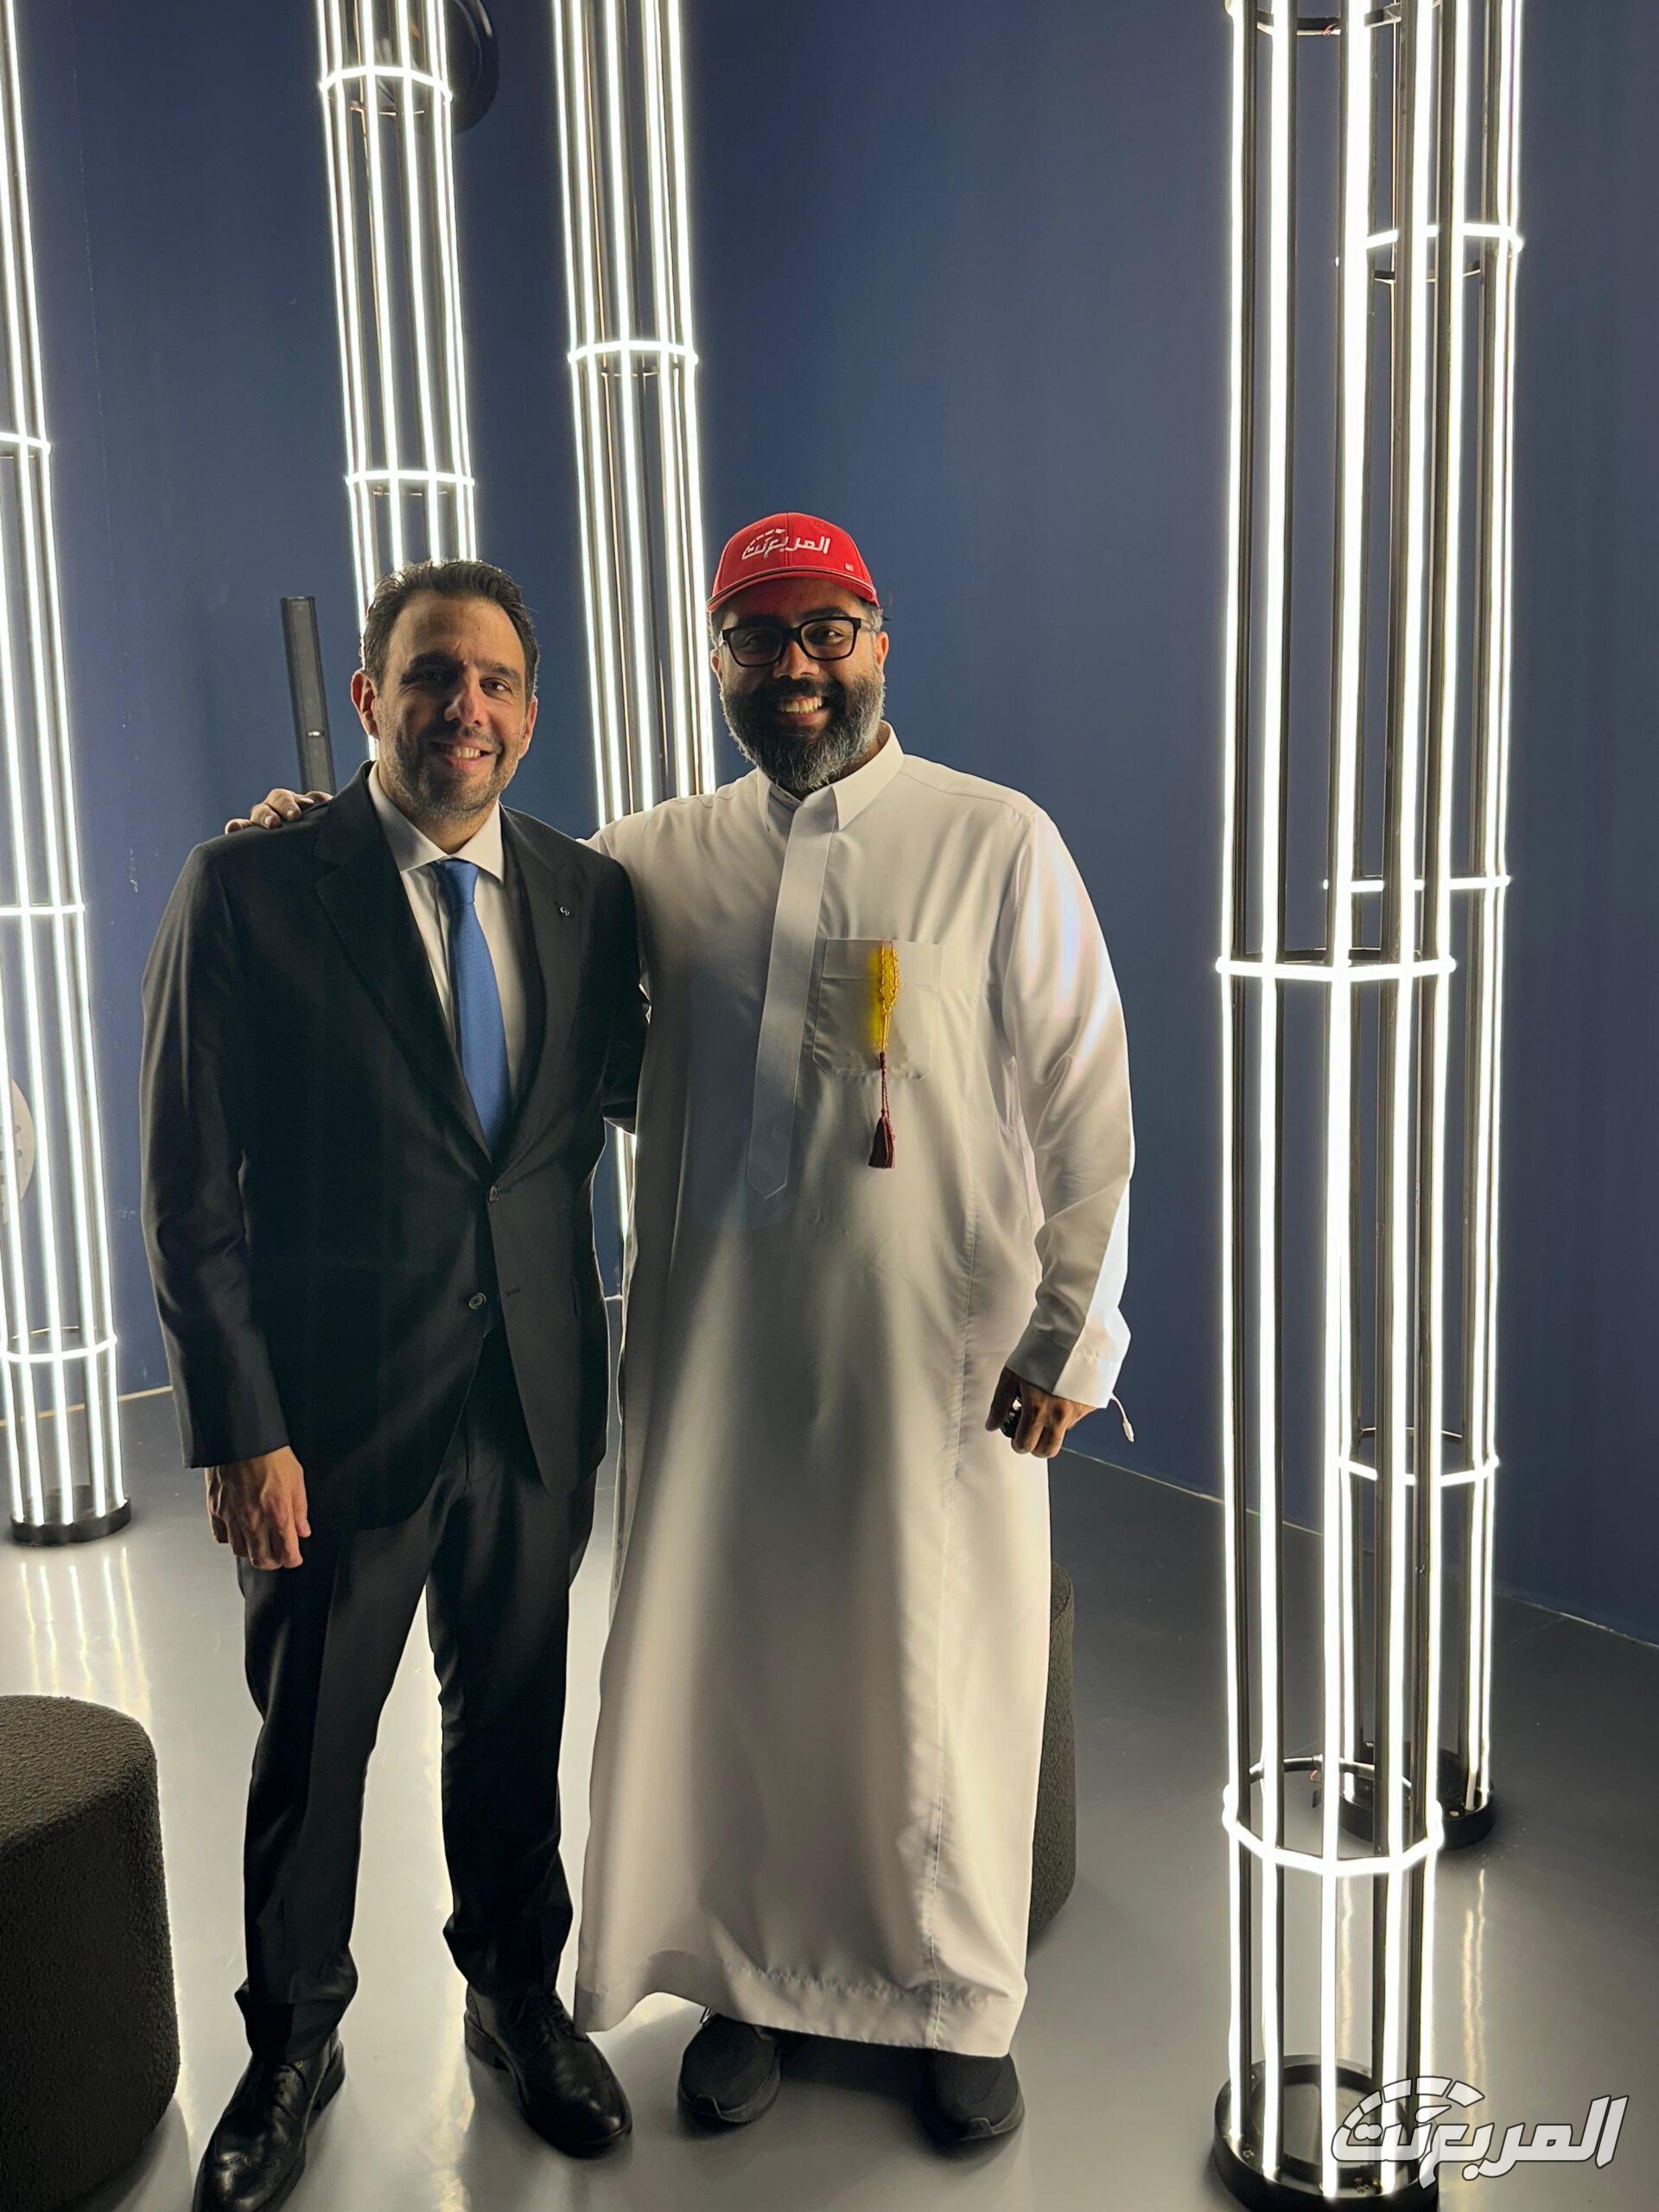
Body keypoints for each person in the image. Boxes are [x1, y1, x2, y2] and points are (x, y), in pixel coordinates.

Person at [238, 512, 1135, 2151]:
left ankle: (954, 2001)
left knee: (943, 1673)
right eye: (757, 638)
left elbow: (1087, 1098)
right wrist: (323, 836)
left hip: (931, 1365)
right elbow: (470, 889)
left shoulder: (996, 841)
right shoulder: (650, 861)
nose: (795, 667)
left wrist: (1073, 1332)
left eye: (825, 633)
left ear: (878, 643)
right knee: (744, 1674)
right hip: (719, 1356)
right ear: (715, 660)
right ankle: (751, 1984)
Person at [142, 559, 642, 2212]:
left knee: (514, 1720)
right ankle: (292, 2046)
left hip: (531, 1408)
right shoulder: (251, 887)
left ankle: (515, 1997)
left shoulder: (587, 897)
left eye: (495, 682)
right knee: (313, 1752)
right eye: (431, 675)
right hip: (333, 1427)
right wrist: (241, 1428)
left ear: (532, 713)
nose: (464, 709)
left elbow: (629, 1099)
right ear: (372, 698)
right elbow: (189, 1190)